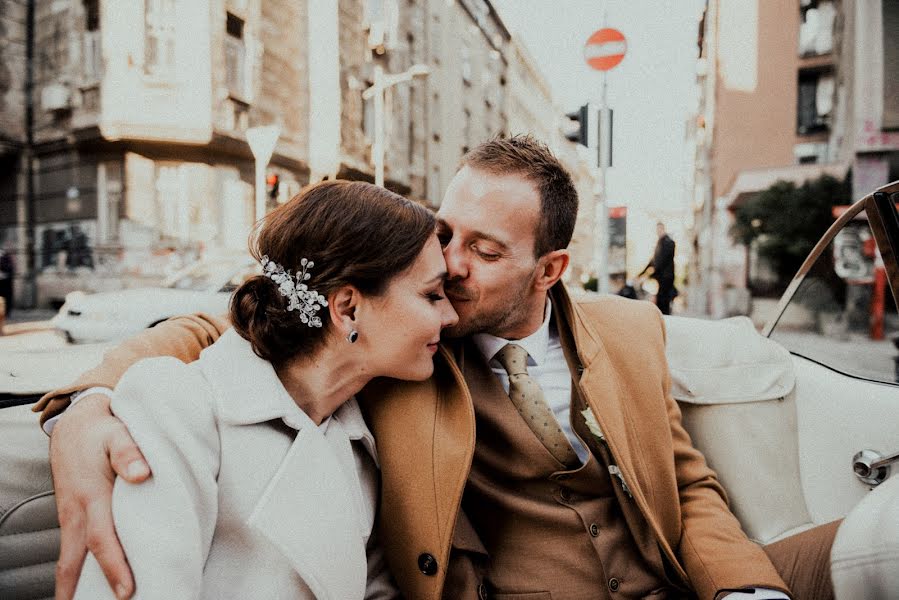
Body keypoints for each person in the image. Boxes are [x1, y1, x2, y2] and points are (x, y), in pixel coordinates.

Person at [39, 136, 837, 600]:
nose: (449, 267)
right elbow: (249, 316)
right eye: (445, 233)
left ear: (549, 269)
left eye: (484, 252)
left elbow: (686, 482)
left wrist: (744, 588)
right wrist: (89, 398)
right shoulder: (403, 346)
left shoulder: (630, 329)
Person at [69, 180, 457, 599]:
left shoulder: (362, 437)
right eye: (433, 295)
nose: (450, 315)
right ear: (348, 309)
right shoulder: (178, 410)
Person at [638, 222, 677, 315]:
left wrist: (650, 275)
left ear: (663, 229)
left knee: (664, 302)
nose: (658, 231)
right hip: (660, 277)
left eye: (659, 229)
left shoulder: (669, 242)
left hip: (666, 278)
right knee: (660, 301)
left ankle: (665, 321)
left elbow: (661, 262)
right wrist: (641, 274)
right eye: (657, 229)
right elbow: (653, 261)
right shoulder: (659, 243)